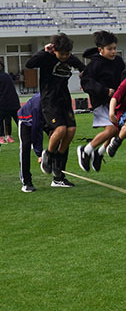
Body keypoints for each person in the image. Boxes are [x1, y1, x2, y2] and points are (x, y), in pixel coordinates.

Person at [25, 33, 85, 187]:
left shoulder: (70, 58)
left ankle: (58, 158)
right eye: (61, 54)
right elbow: (29, 64)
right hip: (49, 101)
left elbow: (82, 67)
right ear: (54, 50)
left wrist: (84, 76)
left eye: (67, 54)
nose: (65, 57)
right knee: (61, 129)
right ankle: (49, 154)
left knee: (71, 130)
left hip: (64, 99)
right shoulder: (47, 57)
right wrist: (44, 51)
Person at [77, 31, 125, 173]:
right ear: (100, 50)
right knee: (112, 129)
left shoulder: (118, 62)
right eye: (110, 49)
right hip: (102, 102)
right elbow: (86, 83)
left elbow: (123, 78)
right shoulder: (95, 64)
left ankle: (100, 152)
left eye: (115, 48)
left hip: (116, 101)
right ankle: (86, 150)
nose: (113, 52)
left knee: (122, 128)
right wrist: (104, 90)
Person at [17, 93, 44, 192]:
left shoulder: (54, 97)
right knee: (25, 148)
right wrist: (39, 153)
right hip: (25, 120)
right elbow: (36, 130)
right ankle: (26, 182)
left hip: (40, 118)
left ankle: (58, 178)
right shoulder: (38, 103)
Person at [0, 60, 20, 144]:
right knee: (8, 119)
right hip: (10, 102)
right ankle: (5, 136)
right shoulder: (7, 76)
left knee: (5, 119)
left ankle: (5, 136)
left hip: (8, 102)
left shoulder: (6, 76)